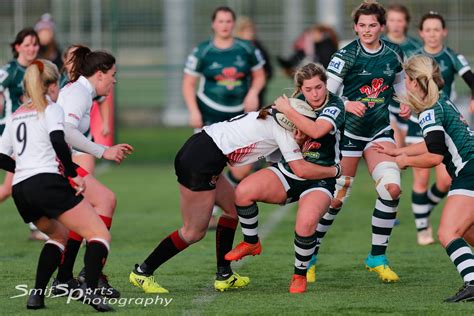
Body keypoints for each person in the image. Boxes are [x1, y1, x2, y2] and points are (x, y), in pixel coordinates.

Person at [129, 101, 341, 294]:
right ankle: (143, 271)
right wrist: (336, 172)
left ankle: (224, 275)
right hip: (201, 161)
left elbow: (275, 164)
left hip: (203, 150)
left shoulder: (270, 116)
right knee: (193, 232)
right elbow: (300, 170)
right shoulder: (283, 130)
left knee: (233, 209)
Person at [307, 1, 410, 284]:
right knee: (337, 199)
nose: (367, 30)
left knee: (392, 189)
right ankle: (310, 254)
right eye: (362, 25)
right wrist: (348, 103)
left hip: (379, 132)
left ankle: (377, 256)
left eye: (372, 25)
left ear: (382, 27)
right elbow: (323, 96)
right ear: (355, 27)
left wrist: (406, 103)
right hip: (348, 135)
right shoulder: (345, 56)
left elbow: (400, 85)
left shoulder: (393, 52)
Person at [0, 59, 112, 311]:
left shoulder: (17, 116)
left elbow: (0, 155)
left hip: (21, 190)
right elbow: (58, 140)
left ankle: (36, 296)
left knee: (58, 235)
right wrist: (72, 174)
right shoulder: (51, 109)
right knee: (99, 234)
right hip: (47, 182)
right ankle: (92, 291)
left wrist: (21, 169)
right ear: (51, 86)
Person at [224, 63, 344, 294]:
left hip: (319, 177)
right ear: (301, 89)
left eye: (319, 87)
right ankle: (251, 242)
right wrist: (295, 137)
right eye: (309, 89)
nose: (316, 93)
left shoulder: (335, 105)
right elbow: (283, 135)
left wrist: (287, 110)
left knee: (306, 223)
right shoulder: (297, 103)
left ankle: (299, 274)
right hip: (288, 170)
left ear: (326, 85)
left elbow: (318, 131)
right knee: (243, 192)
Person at [375, 55, 474, 302]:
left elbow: (435, 156)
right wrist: (401, 151)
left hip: (470, 172)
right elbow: (434, 143)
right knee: (468, 232)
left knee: (447, 232)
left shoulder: (430, 110)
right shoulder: (440, 102)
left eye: (405, 80)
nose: (404, 85)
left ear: (413, 82)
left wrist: (404, 161)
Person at [51, 45, 133, 299]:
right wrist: (102, 151)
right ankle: (90, 275)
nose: (114, 80)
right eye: (112, 74)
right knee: (106, 201)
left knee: (87, 211)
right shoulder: (79, 92)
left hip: (61, 161)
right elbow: (66, 131)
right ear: (99, 74)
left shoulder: (82, 91)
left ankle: (66, 278)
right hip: (56, 163)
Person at [182, 6, 267, 227]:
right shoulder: (202, 51)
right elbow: (188, 83)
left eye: (228, 21)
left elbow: (259, 75)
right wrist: (193, 110)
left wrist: (253, 93)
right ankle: (204, 213)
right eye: (220, 21)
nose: (225, 25)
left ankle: (221, 205)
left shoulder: (246, 49)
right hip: (210, 113)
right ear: (213, 24)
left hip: (238, 114)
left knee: (242, 168)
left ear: (233, 23)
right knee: (206, 167)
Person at [403, 11, 474, 244]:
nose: (433, 34)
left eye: (437, 29)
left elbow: (471, 79)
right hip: (419, 121)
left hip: (445, 119)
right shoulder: (414, 58)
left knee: (444, 180)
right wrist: (406, 107)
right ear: (421, 33)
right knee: (421, 179)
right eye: (428, 29)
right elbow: (401, 87)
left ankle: (429, 209)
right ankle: (422, 228)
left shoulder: (452, 56)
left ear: (444, 32)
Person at [0, 28, 45, 240]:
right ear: (17, 47)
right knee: (11, 187)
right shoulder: (9, 70)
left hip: (28, 133)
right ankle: (39, 226)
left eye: (35, 44)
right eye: (27, 45)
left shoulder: (39, 69)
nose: (32, 48)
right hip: (11, 135)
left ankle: (37, 227)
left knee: (24, 179)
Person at [384, 4, 422, 147]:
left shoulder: (416, 46)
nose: (395, 24)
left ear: (406, 23)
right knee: (396, 149)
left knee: (408, 155)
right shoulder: (379, 44)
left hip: (410, 105)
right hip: (386, 105)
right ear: (386, 22)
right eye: (392, 20)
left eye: (399, 20)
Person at [234, 16, 273, 107]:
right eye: (246, 30)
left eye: (251, 30)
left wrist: (261, 79)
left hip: (256, 91)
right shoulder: (234, 48)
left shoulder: (257, 47)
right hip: (238, 90)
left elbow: (268, 68)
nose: (250, 33)